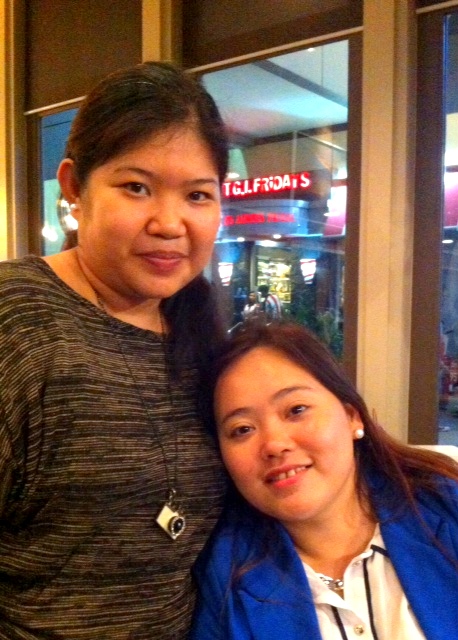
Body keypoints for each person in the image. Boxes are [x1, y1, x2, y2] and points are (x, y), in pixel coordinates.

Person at [0, 61, 229, 639]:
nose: (170, 223)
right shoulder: (17, 319)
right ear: (75, 187)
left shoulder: (202, 337)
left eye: (197, 195)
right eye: (137, 188)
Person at [190, 321, 458, 640]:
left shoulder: (445, 509)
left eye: (296, 410)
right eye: (242, 429)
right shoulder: (224, 578)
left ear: (352, 416)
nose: (274, 444)